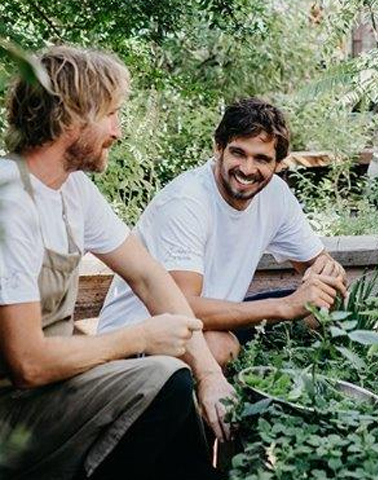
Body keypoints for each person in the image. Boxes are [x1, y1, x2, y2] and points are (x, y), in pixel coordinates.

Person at [0, 46, 233, 480]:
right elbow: (28, 364)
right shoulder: (10, 202)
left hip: (53, 393)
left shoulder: (74, 191)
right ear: (72, 116)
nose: (118, 131)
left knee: (176, 383)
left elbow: (148, 276)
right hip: (12, 416)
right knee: (163, 379)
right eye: (112, 114)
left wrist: (208, 374)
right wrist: (138, 336)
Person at [98, 98, 347, 362]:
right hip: (142, 338)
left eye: (262, 159)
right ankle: (228, 392)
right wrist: (284, 307)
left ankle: (278, 379)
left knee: (317, 306)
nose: (248, 169)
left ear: (278, 164)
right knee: (219, 346)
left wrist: (328, 274)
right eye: (239, 153)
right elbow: (180, 308)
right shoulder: (187, 201)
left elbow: (317, 264)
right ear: (218, 148)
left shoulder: (276, 195)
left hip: (211, 322)